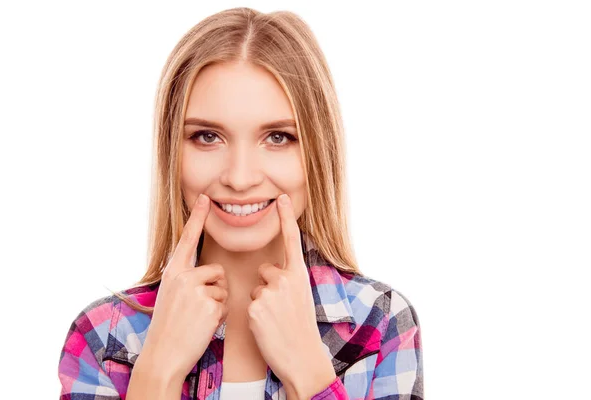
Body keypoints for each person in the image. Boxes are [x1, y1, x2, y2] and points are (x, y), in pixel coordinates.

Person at [57, 7, 424, 400]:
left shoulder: (380, 324)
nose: (240, 177)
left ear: (319, 152)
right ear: (171, 154)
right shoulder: (104, 337)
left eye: (279, 137)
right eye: (207, 137)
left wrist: (307, 370)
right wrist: (157, 373)